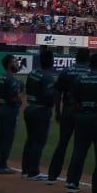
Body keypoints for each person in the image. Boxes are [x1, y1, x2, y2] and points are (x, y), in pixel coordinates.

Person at [64, 52, 97, 192]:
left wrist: (80, 108)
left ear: (90, 63)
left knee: (79, 150)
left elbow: (72, 100)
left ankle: (72, 181)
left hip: (82, 116)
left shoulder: (80, 78)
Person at [47, 48, 90, 185]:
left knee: (62, 143)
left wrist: (57, 111)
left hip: (67, 110)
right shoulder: (89, 73)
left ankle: (52, 175)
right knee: (79, 147)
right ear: (87, 59)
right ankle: (71, 181)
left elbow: (57, 92)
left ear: (76, 58)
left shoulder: (66, 71)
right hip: (83, 113)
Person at [21, 50, 58, 179]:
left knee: (30, 140)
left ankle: (25, 169)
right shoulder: (48, 76)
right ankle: (33, 171)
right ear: (51, 61)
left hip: (30, 107)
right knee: (38, 142)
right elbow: (48, 96)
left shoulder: (33, 72)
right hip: (41, 110)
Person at [0, 55, 23, 173]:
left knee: (0, 137)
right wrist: (20, 96)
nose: (16, 64)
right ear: (9, 64)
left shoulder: (2, 78)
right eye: (14, 62)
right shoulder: (11, 79)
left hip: (2, 108)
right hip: (9, 110)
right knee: (7, 138)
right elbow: (13, 98)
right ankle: (2, 165)